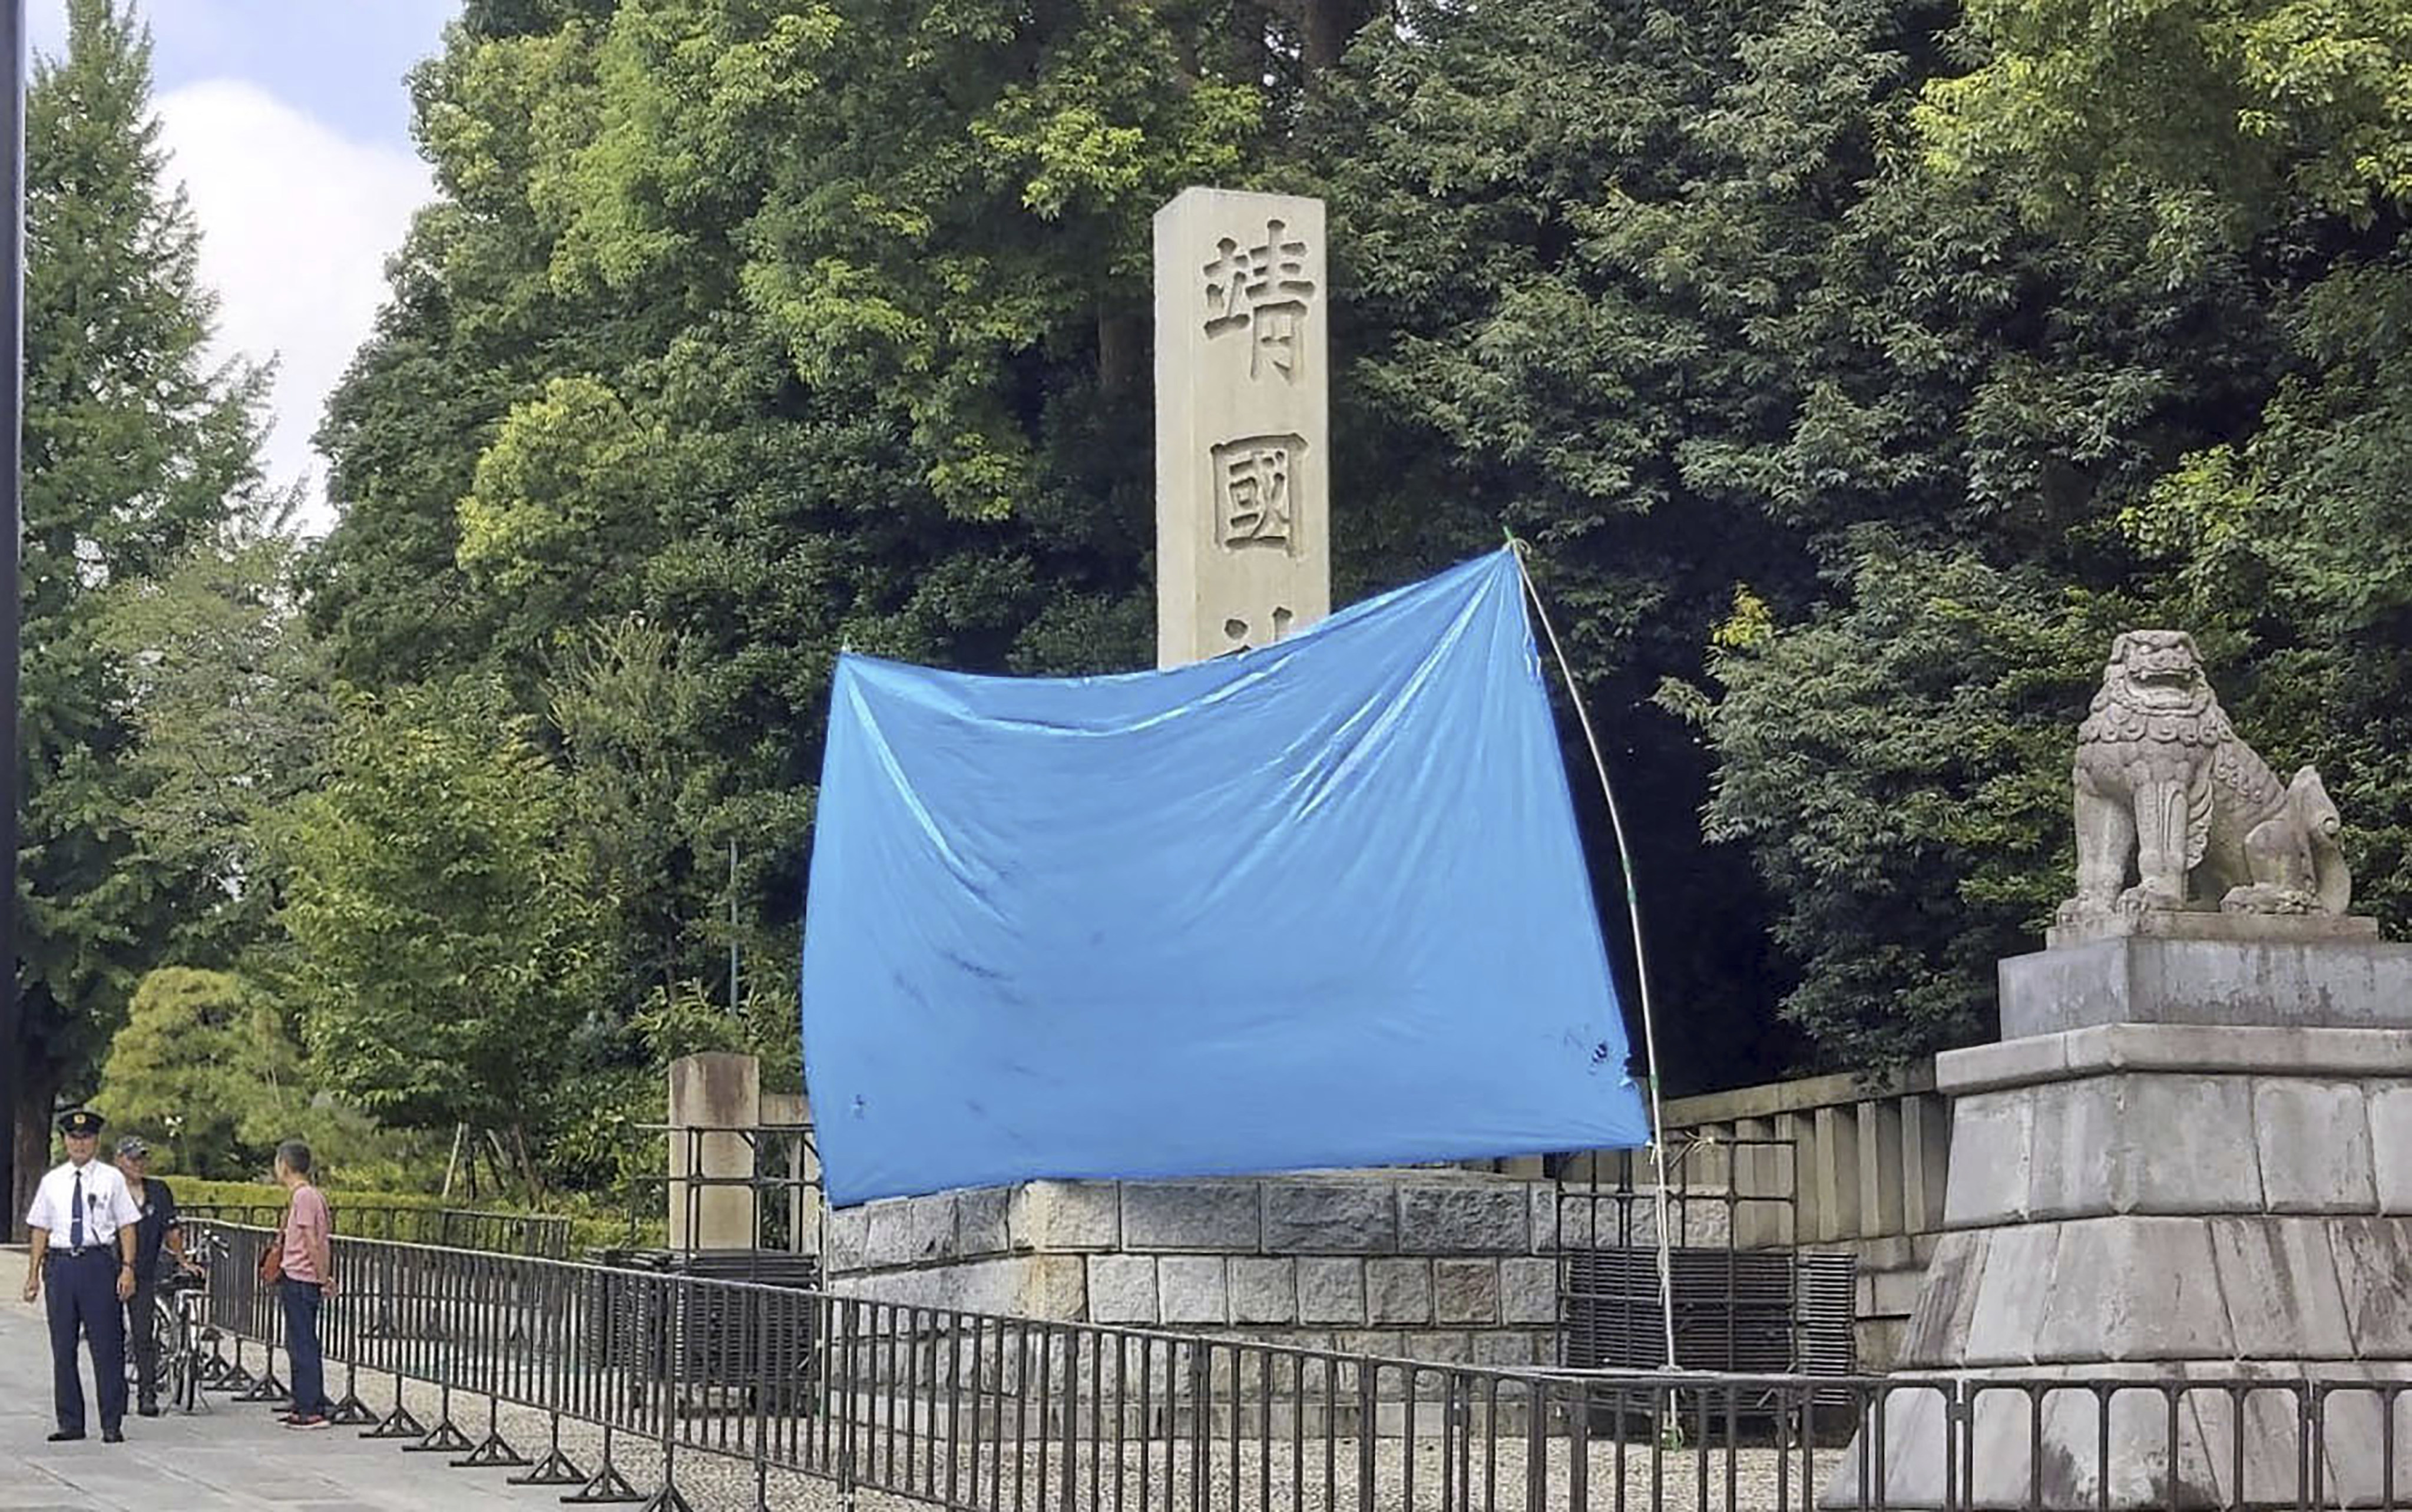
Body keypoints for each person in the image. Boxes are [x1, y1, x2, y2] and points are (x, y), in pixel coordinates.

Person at [19, 1108, 144, 1443]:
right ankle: (70, 1421)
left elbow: (127, 1225)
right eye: (74, 1138)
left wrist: (128, 1268)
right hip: (61, 1266)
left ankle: (111, 1422)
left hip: (97, 1263)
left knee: (107, 1345)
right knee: (63, 1346)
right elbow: (41, 1228)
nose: (80, 1144)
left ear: (96, 1141)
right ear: (65, 1141)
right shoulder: (53, 1181)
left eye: (86, 1138)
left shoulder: (111, 1179)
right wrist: (33, 1274)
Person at [113, 1136, 191, 1417]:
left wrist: (182, 1259)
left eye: (142, 1159)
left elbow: (171, 1229)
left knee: (144, 1334)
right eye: (133, 1159)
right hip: (109, 1268)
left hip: (144, 1270)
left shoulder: (158, 1191)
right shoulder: (109, 1189)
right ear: (120, 1160)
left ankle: (148, 1392)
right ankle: (115, 1391)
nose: (139, 1165)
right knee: (111, 1333)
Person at [272, 1139, 336, 1429]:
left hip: (301, 1277)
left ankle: (310, 1407)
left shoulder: (304, 1198)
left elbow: (312, 1240)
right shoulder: (308, 1196)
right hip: (300, 1276)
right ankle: (303, 1401)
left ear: (284, 1165)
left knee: (303, 1344)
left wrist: (323, 1277)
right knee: (299, 1341)